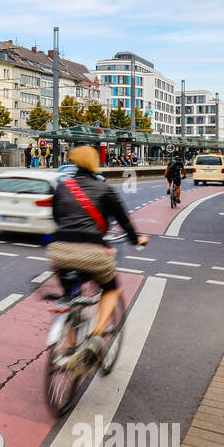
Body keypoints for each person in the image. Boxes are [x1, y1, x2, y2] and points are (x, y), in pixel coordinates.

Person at [46, 146, 147, 363]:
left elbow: (56, 217)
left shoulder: (63, 187)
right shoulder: (104, 189)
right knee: (110, 289)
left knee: (70, 296)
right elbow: (124, 221)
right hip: (92, 250)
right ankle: (95, 337)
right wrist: (136, 239)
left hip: (59, 250)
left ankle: (71, 349)